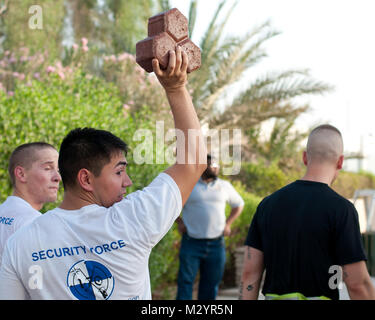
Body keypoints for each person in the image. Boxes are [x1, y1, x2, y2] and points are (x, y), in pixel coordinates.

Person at [0, 47, 207, 300]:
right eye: (119, 172)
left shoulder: (21, 243)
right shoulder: (133, 219)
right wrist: (176, 88)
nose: (128, 182)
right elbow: (194, 162)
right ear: (86, 179)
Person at [240, 124, 375, 300]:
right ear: (340, 162)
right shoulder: (342, 210)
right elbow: (358, 285)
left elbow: (249, 274)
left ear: (305, 157)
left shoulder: (267, 205)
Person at [176, 154, 244, 300]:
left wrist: (228, 224)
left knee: (211, 285)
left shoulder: (224, 186)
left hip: (216, 244)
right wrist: (180, 222)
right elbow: (172, 204)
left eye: (216, 165)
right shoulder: (189, 185)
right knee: (185, 283)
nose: (214, 167)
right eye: (211, 164)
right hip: (191, 243)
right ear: (201, 166)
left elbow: (239, 205)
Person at [0, 142, 61, 265]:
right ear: (21, 174)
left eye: (58, 170)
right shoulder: (34, 224)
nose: (58, 177)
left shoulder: (3, 211)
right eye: (48, 168)